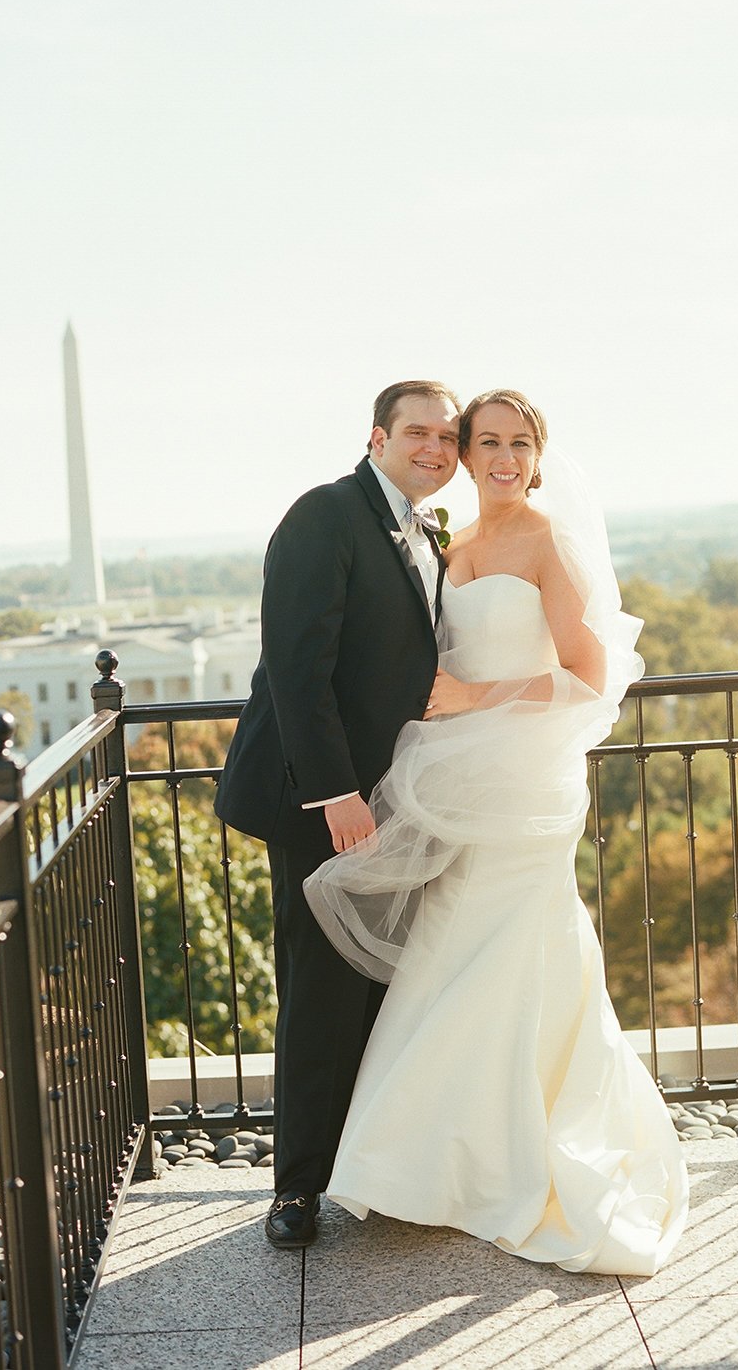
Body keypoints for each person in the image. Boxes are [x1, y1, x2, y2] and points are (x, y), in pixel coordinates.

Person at [304, 389, 689, 1276]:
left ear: (537, 455)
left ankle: (511, 1154)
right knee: (452, 946)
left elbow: (590, 676)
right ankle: (434, 1160)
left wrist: (478, 699)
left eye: (520, 443)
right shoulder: (450, 545)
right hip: (458, 780)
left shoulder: (546, 541)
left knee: (514, 947)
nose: (504, 458)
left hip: (528, 784)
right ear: (466, 455)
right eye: (488, 442)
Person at [214, 380, 462, 1248]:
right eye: (419, 432)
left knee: (378, 984)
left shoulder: (431, 530)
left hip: (392, 799)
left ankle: (366, 1167)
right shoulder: (324, 514)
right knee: (320, 989)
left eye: (448, 435)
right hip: (322, 802)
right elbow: (296, 664)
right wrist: (336, 796)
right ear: (377, 436)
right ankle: (294, 1193)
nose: (436, 447)